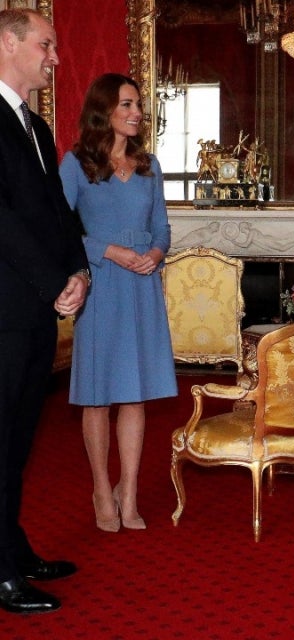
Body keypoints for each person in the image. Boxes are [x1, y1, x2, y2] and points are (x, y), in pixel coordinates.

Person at [0, 8, 90, 614]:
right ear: (7, 44)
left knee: (19, 440)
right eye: (46, 44)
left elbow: (58, 211)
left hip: (34, 309)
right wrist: (51, 281)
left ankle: (11, 545)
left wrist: (79, 271)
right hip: (4, 310)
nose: (54, 57)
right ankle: (1, 573)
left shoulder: (33, 125)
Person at [60, 73, 177, 534]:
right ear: (104, 109)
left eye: (139, 106)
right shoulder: (76, 164)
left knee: (134, 393)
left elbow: (163, 229)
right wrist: (109, 252)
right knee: (98, 394)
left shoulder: (149, 165)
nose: (136, 113)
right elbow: (62, 230)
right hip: (102, 285)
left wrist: (152, 254)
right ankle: (100, 487)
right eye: (127, 104)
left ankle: (127, 492)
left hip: (142, 288)